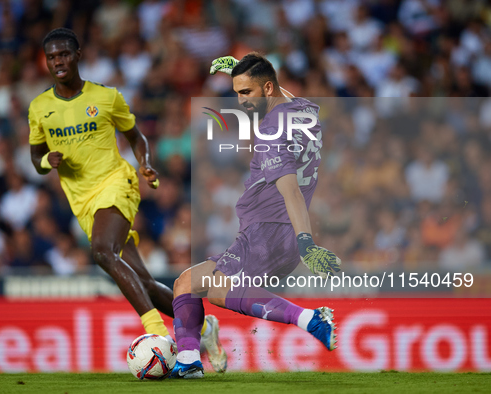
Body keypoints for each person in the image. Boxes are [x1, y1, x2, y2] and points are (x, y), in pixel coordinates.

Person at [28, 28, 226, 372]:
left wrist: (145, 163)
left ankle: (159, 335)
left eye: (63, 54)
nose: (57, 61)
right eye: (51, 57)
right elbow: (35, 157)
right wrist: (48, 161)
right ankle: (205, 328)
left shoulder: (106, 98)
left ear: (77, 55)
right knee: (144, 282)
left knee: (103, 253)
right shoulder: (40, 107)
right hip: (82, 201)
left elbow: (136, 138)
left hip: (116, 183)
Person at [170, 53, 341, 378]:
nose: (240, 101)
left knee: (218, 291)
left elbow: (289, 189)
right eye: (237, 91)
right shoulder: (302, 109)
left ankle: (309, 319)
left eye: (245, 92)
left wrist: (306, 242)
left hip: (270, 230)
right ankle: (189, 362)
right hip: (272, 230)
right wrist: (241, 66)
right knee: (187, 283)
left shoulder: (271, 132)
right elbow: (280, 91)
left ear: (266, 87)